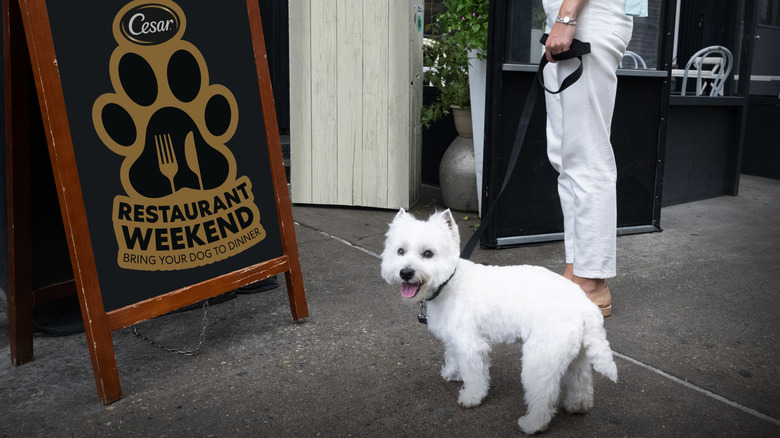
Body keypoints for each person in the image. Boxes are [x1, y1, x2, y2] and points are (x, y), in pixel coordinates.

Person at [541, 0, 635, 317]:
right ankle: (577, 268)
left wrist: (567, 16)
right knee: (567, 160)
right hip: (570, 18)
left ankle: (591, 283)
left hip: (586, 16)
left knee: (587, 156)